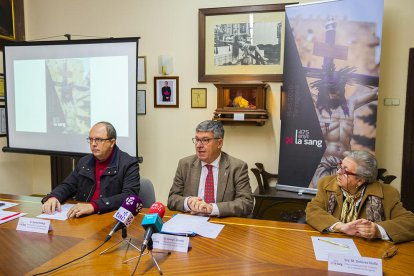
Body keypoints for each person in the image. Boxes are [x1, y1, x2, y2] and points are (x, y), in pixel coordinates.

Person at [306, 150, 414, 243]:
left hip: (369, 251)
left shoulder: (387, 193)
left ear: (360, 180)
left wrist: (377, 230)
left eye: (345, 170)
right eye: (340, 166)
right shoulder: (326, 183)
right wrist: (340, 226)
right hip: (333, 243)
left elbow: (410, 222)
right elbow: (312, 210)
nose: (338, 172)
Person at [41, 121, 140, 218]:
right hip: (82, 217)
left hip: (109, 217)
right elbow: (68, 185)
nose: (93, 144)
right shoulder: (84, 162)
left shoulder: (128, 163)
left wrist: (94, 206)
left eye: (98, 140)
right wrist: (54, 196)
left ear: (112, 142)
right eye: (91, 139)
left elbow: (129, 196)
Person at [167, 120, 254, 217]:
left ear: (219, 143)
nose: (199, 145)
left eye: (205, 140)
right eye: (197, 140)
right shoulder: (185, 164)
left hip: (222, 224)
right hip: (191, 222)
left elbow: (246, 203)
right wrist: (188, 202)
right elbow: (172, 199)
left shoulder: (237, 167)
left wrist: (212, 209)